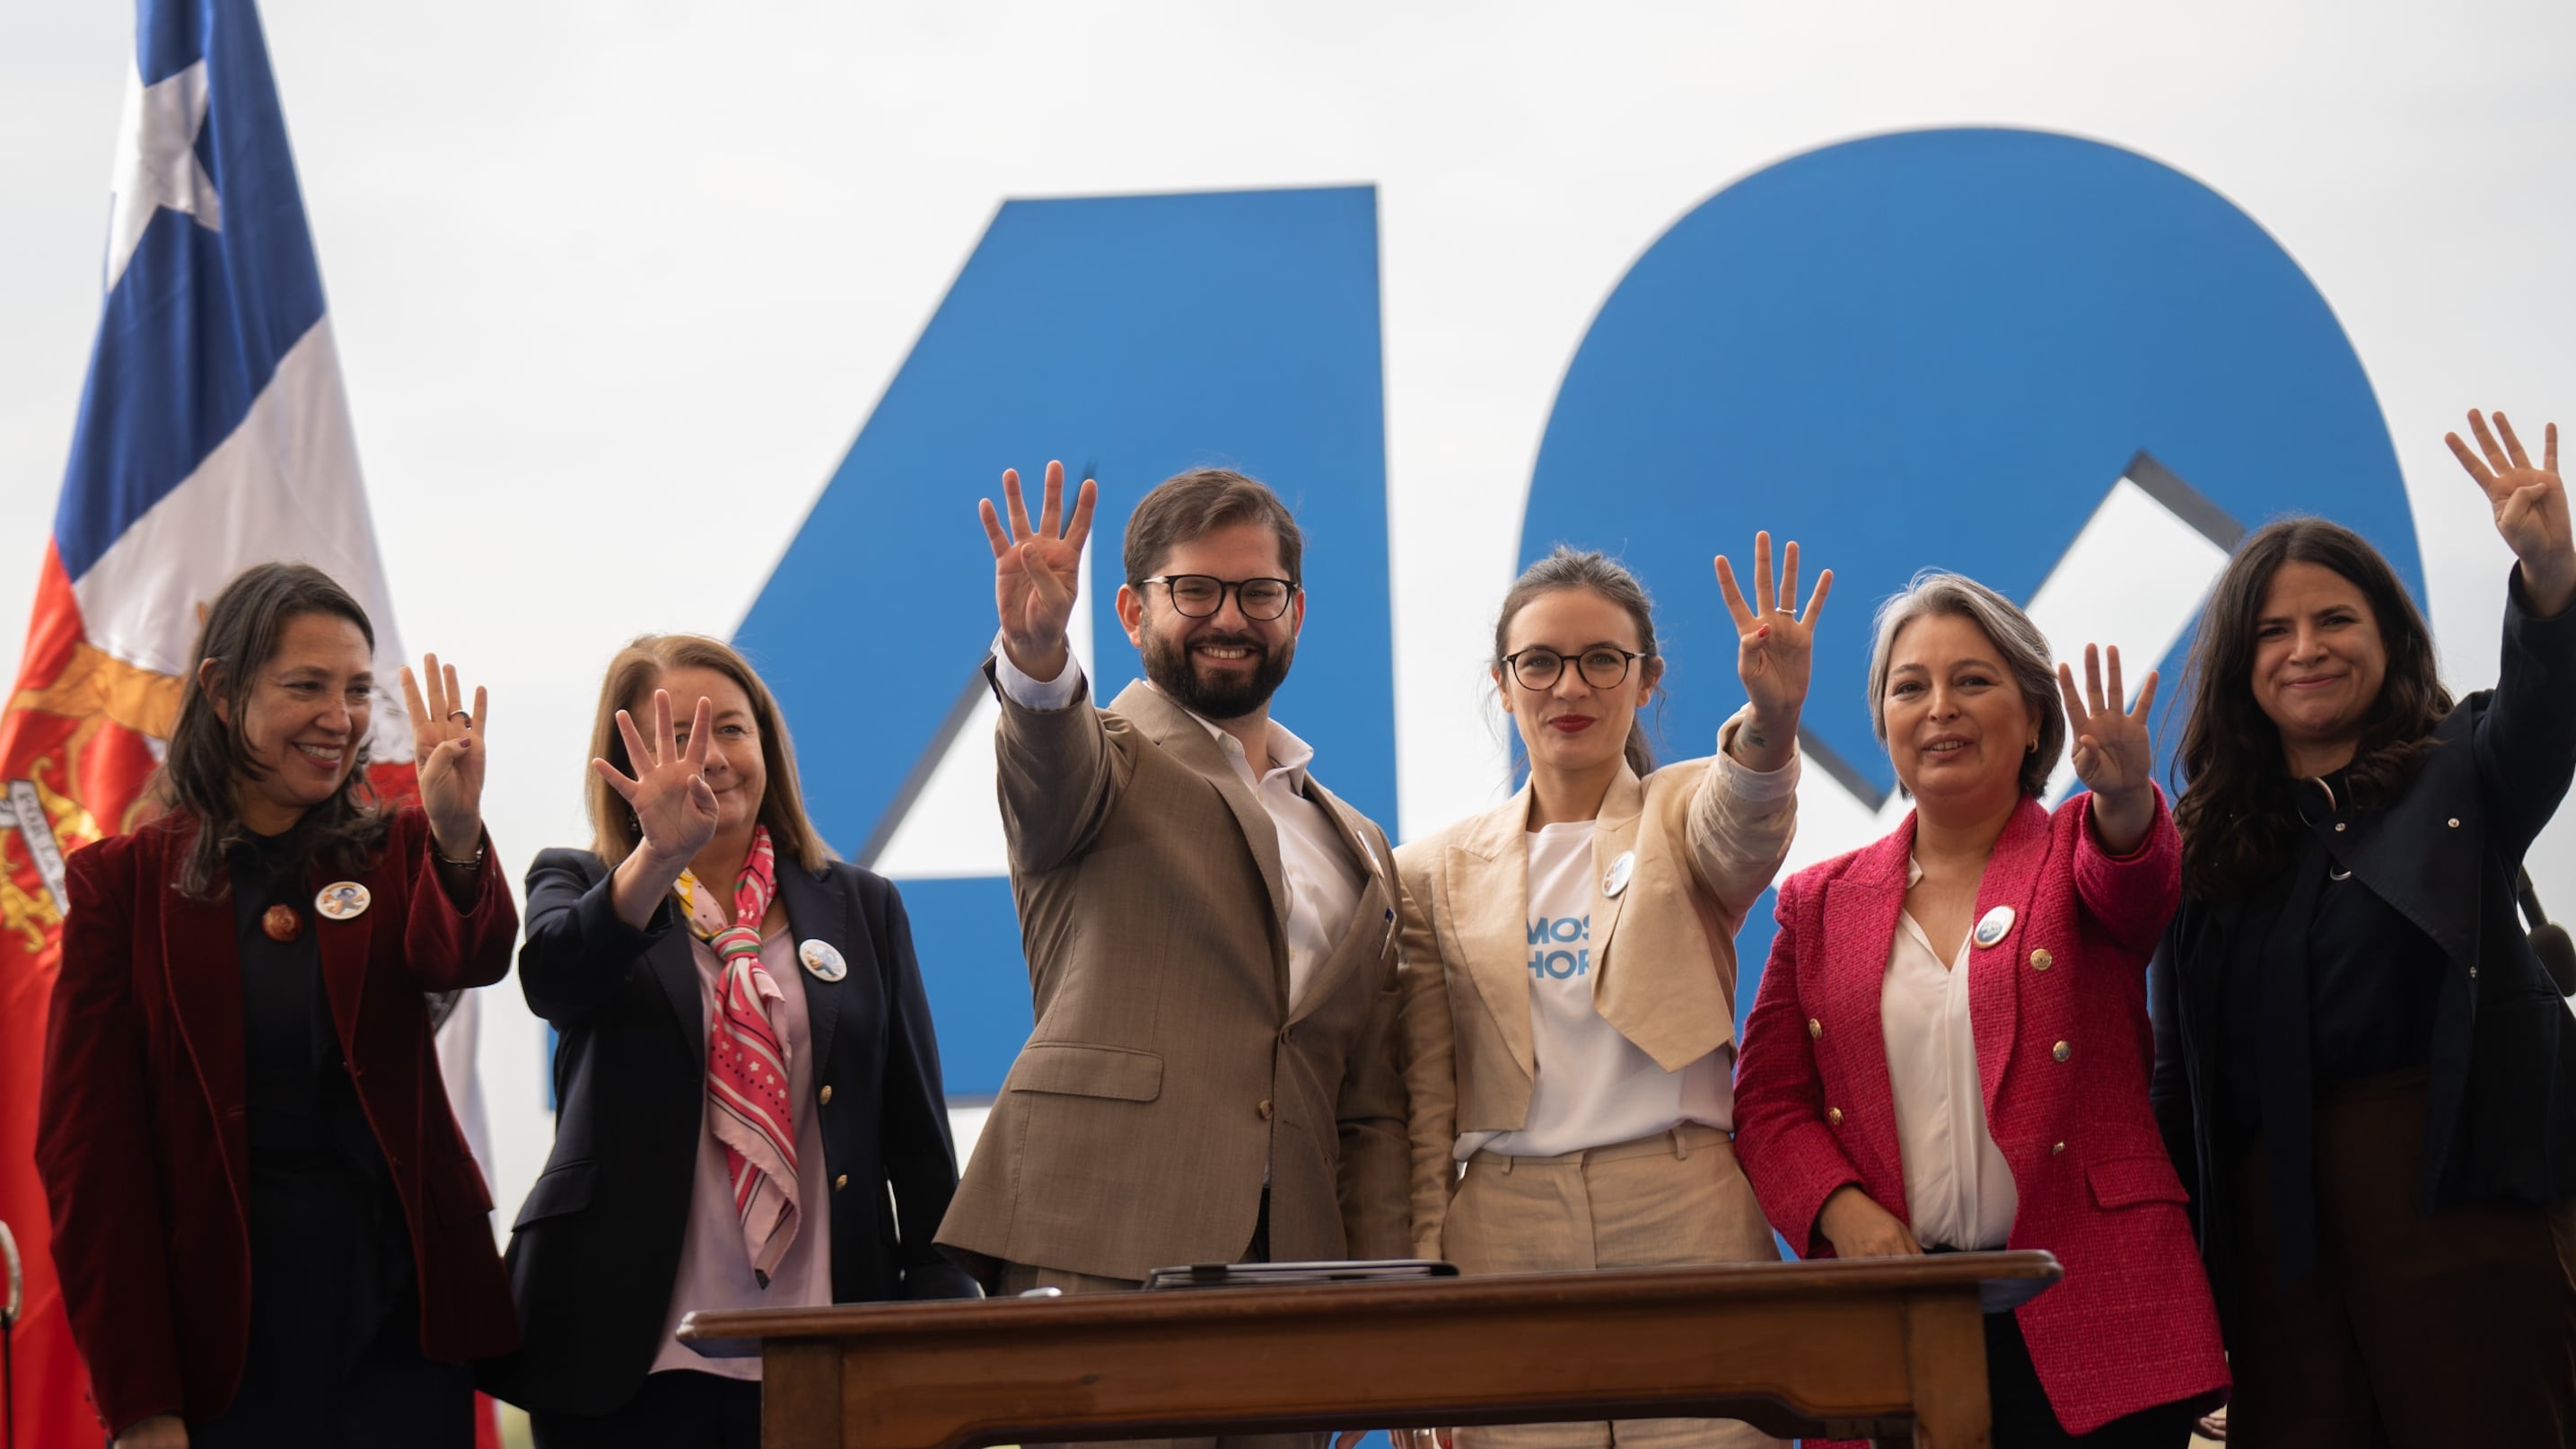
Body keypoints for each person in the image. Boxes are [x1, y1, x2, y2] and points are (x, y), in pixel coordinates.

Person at [2149, 408, 2576, 1446]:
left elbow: (2545, 710)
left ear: (2386, 636)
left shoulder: (2460, 768)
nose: (2304, 650)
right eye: (2270, 632)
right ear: (2239, 667)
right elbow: (2176, 1077)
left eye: (2334, 621)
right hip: (2275, 1252)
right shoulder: (2202, 849)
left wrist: (2551, 578)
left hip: (2460, 1208)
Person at [1733, 572, 2226, 1446]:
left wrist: (2119, 796)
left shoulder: (2081, 844)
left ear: (2034, 717)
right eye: (1908, 687)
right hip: (1894, 1315)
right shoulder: (1816, 904)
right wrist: (1843, 1211)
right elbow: (1767, 1105)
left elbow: (2136, 884)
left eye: (1972, 680)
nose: (1939, 709)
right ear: (1881, 723)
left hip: (2092, 1304)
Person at [36, 562, 516, 1449]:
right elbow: (87, 1158)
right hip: (224, 1341)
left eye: (357, 691)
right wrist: (141, 1402)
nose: (340, 718)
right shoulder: (122, 886)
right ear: (221, 692)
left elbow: (471, 954)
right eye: (307, 687)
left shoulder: (400, 848)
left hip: (399, 1323)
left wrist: (455, 838)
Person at [934, 462, 1408, 1334]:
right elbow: (1048, 764)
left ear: (1294, 614)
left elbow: (1367, 1105)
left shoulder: (1362, 845)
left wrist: (1382, 1306)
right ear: (1129, 613)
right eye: (1193, 590)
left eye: (1258, 592)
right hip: (1103, 1244)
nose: (1228, 617)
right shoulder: (1104, 760)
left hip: (1300, 1279)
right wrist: (1037, 660)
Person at [1394, 538, 1825, 1449]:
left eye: (1601, 661)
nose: (1569, 687)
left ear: (1646, 680)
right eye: (1539, 663)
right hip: (1501, 1233)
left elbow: (1742, 820)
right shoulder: (1426, 871)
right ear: (1501, 683)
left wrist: (1771, 720)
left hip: (1683, 1214)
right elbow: (1424, 1105)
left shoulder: (1681, 808)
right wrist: (1416, 1301)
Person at [496, 635, 975, 1447]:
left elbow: (916, 1134)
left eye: (731, 730)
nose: (708, 757)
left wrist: (944, 1300)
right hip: (630, 1353)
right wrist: (660, 858)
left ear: (768, 749)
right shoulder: (582, 883)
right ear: (626, 766)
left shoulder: (862, 907)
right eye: (678, 734)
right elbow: (556, 982)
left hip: (829, 1341)